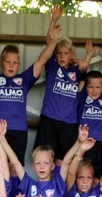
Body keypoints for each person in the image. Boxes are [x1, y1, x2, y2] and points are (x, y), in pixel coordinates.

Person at [0, 8, 61, 163]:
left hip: (18, 130)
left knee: (14, 168)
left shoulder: (23, 80)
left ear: (19, 64)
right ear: (1, 63)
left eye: (15, 62)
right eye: (8, 62)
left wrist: (53, 42)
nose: (11, 65)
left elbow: (41, 61)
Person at [34, 36, 90, 164]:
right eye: (59, 53)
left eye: (66, 53)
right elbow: (48, 47)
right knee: (44, 157)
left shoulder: (75, 71)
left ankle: (59, 179)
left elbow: (84, 65)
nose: (62, 56)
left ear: (71, 54)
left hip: (69, 121)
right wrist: (52, 28)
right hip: (49, 117)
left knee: (63, 160)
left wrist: (73, 60)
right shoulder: (52, 67)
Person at [76, 42, 102, 176]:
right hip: (84, 142)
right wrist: (89, 55)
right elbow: (81, 76)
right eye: (90, 87)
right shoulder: (82, 97)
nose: (94, 90)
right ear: (86, 88)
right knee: (82, 176)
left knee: (99, 176)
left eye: (98, 87)